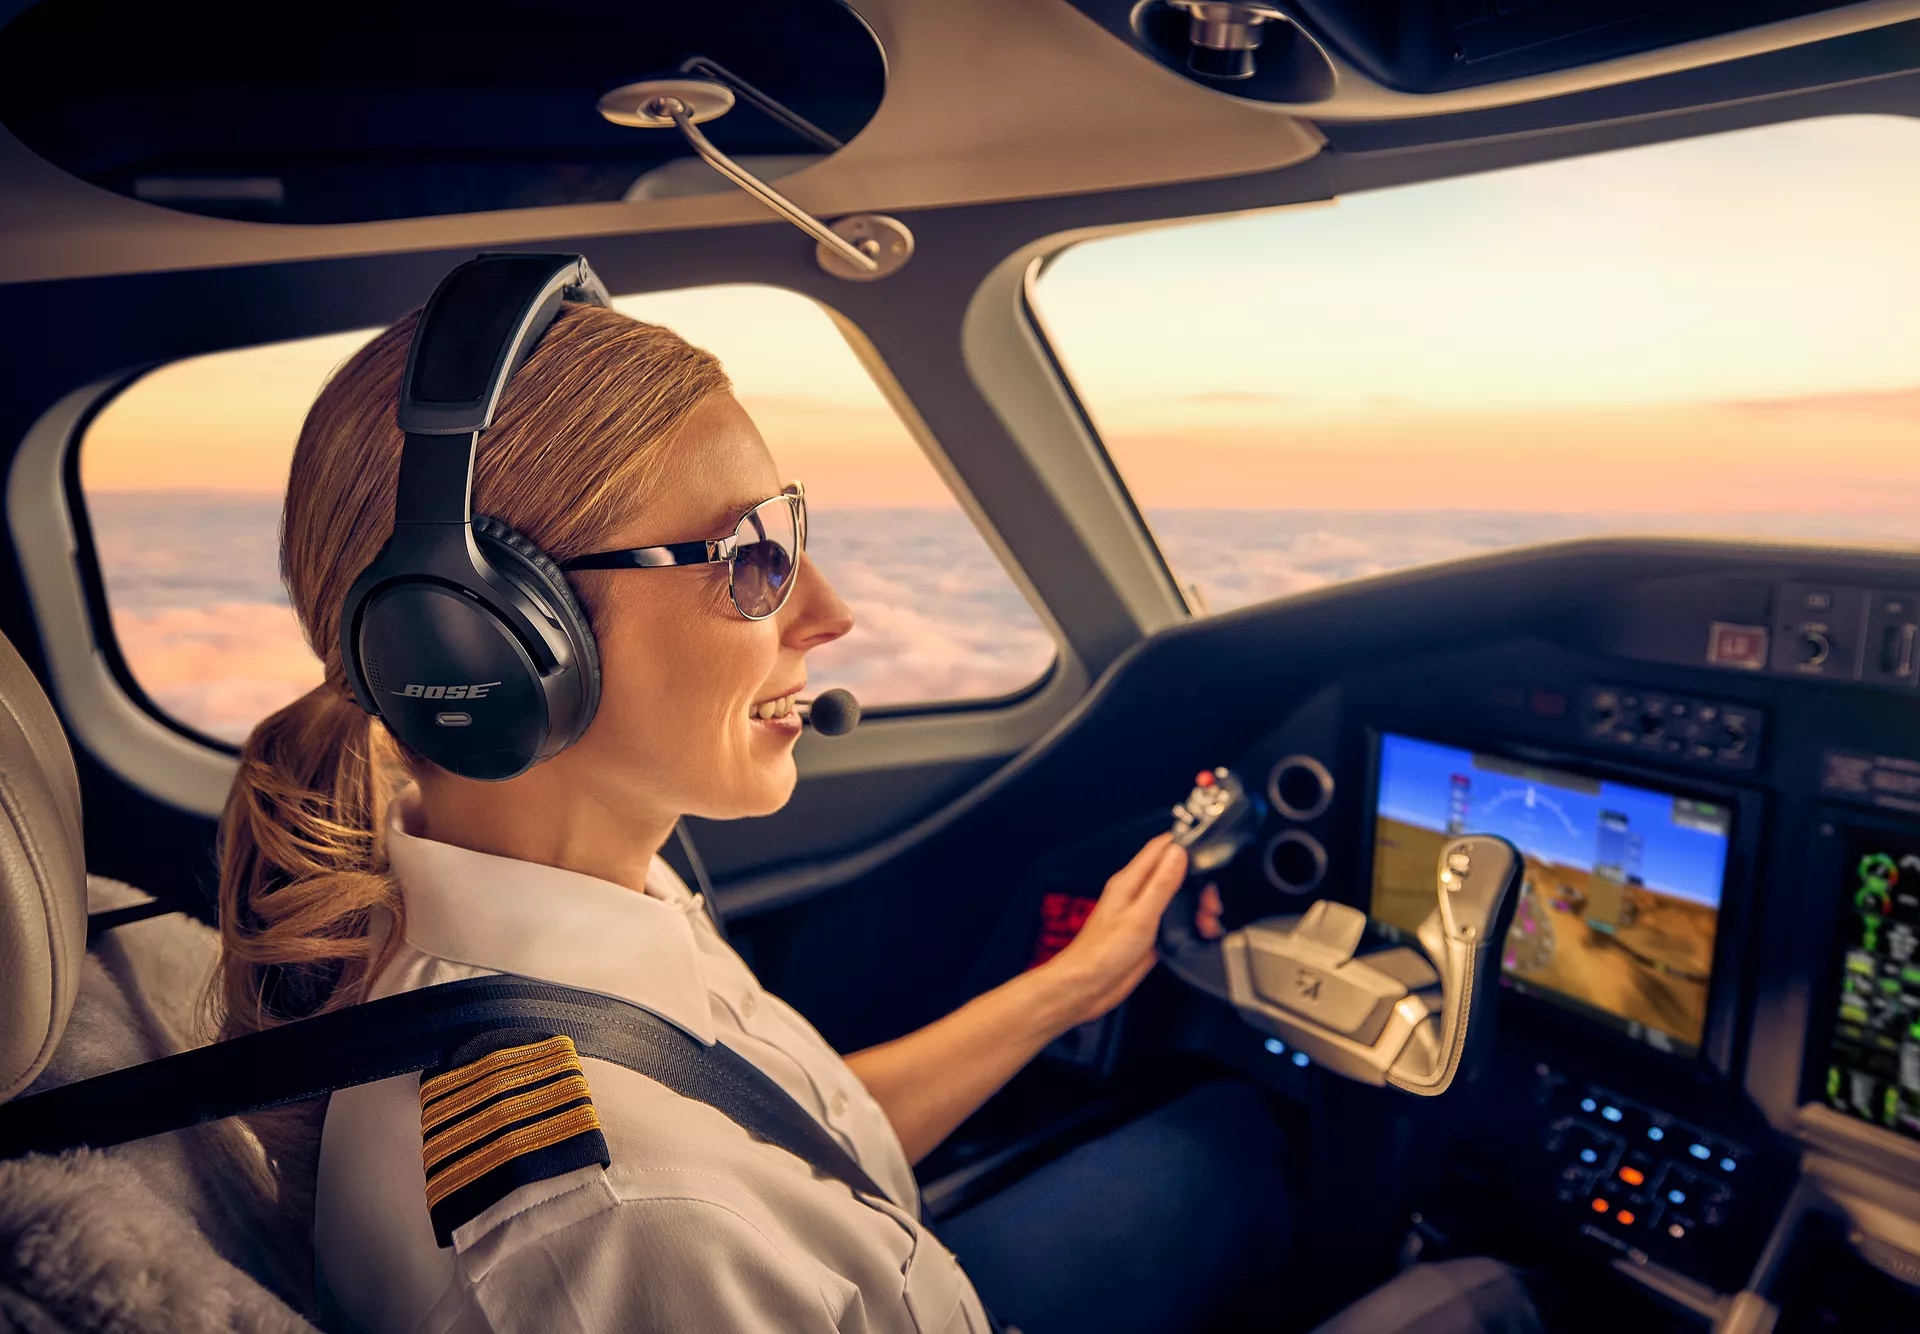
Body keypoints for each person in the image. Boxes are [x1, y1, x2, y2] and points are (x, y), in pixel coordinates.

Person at [213, 293, 1289, 1333]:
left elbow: (800, 1146)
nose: (830, 611)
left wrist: (1075, 985)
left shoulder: (592, 902)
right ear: (486, 644)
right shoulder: (620, 1238)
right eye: (751, 558)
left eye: (790, 527)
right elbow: (702, 1192)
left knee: (1236, 1140)